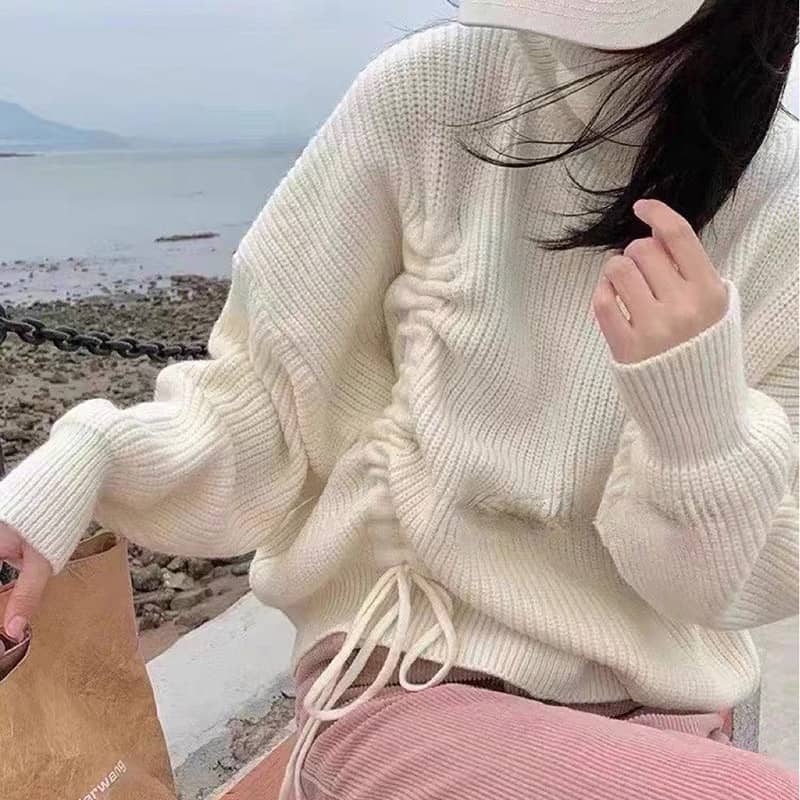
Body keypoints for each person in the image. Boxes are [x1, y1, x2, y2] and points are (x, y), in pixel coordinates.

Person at [0, 0, 797, 798]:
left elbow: (742, 578)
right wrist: (85, 463)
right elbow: (265, 405)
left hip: (664, 714)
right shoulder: (438, 93)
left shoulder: (784, 196)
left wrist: (699, 426)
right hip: (414, 675)